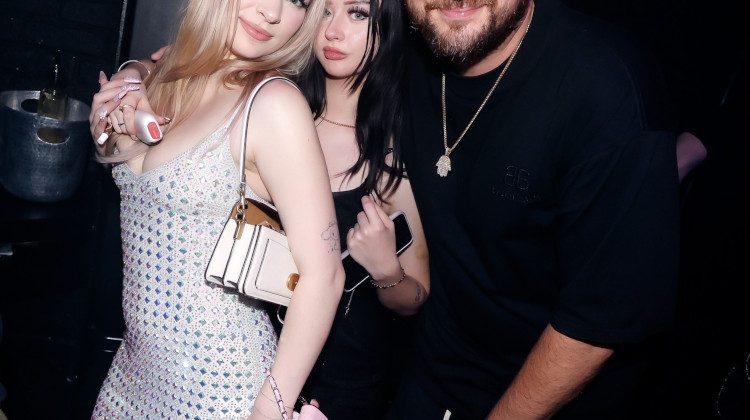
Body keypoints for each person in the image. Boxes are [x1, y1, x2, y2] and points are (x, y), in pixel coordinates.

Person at [388, 0, 680, 418]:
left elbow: (596, 323)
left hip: (541, 397)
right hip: (432, 371)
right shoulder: (408, 51)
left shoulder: (605, 84)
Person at [86, 0, 345, 418]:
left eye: (298, 0)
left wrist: (270, 409)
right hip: (132, 377)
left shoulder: (273, 103)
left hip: (222, 391)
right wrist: (129, 78)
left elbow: (326, 275)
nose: (272, 12)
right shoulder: (167, 76)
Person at [296, 0, 429, 417]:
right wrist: (136, 72)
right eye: (324, 11)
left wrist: (387, 271)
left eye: (357, 14)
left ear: (387, 28)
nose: (333, 31)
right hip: (250, 355)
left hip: (341, 388)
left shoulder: (393, 154)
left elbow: (416, 296)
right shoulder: (278, 110)